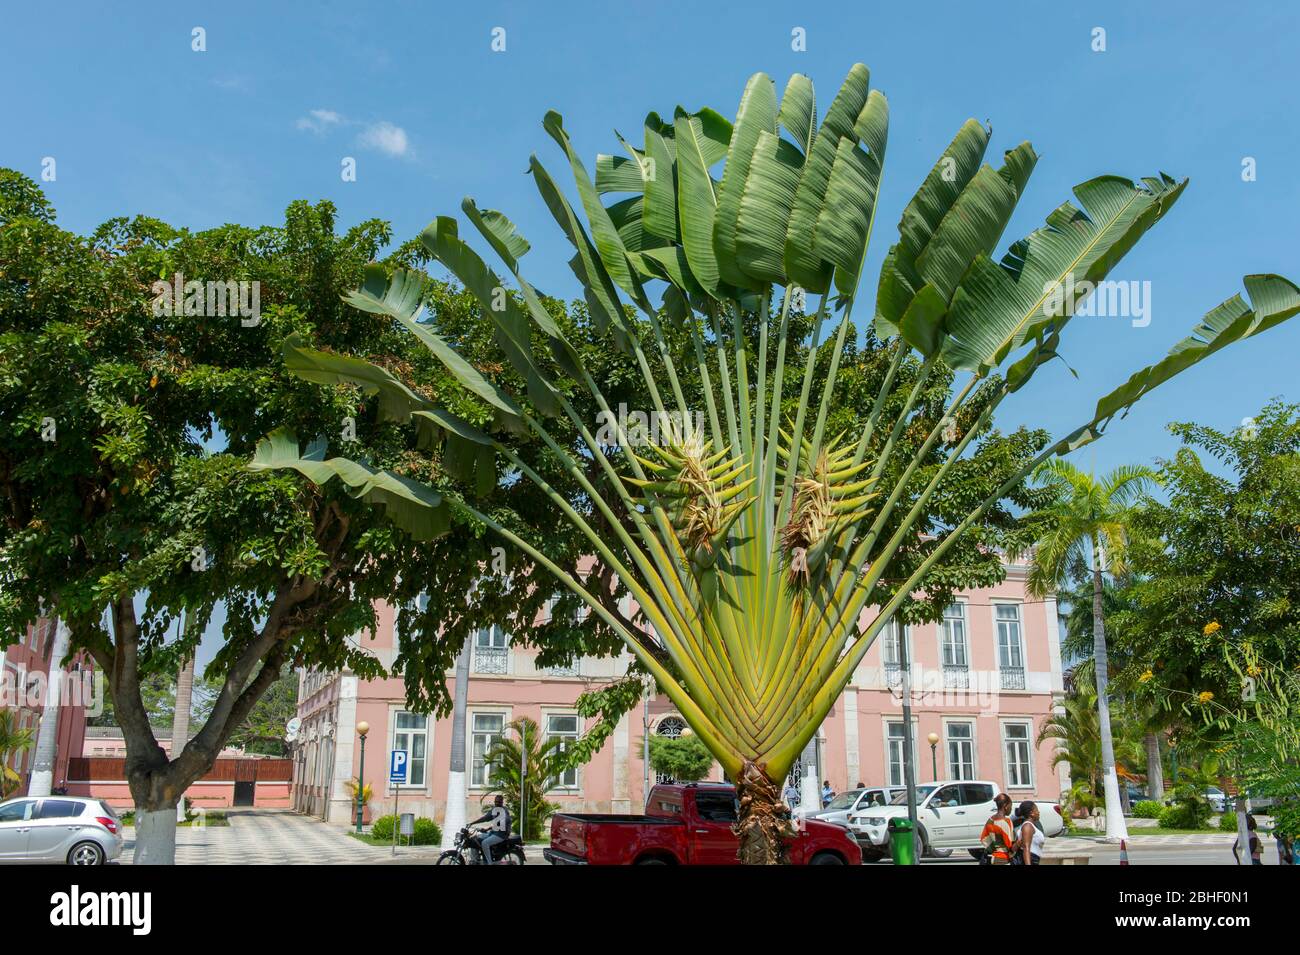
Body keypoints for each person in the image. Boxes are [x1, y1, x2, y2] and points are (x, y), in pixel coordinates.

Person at [469, 795, 511, 864]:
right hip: (494, 833)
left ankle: (489, 862)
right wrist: (473, 823)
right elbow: (485, 818)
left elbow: (501, 825)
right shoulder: (494, 810)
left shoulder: (504, 812)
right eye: (496, 802)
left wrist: (487, 829)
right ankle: (475, 861)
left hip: (502, 835)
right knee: (474, 840)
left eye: (499, 802)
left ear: (502, 802)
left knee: (485, 843)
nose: (497, 803)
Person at [979, 794, 1015, 865]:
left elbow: (984, 839)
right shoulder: (1006, 821)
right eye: (1011, 806)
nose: (1011, 809)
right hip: (1003, 859)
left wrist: (993, 850)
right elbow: (1010, 844)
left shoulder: (990, 820)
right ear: (1006, 806)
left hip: (992, 858)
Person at [1014, 800, 1044, 866]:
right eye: (1036, 810)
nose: (1038, 812)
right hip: (1030, 860)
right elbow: (1026, 848)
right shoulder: (1028, 826)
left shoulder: (1029, 825)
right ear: (1031, 813)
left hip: (1033, 860)